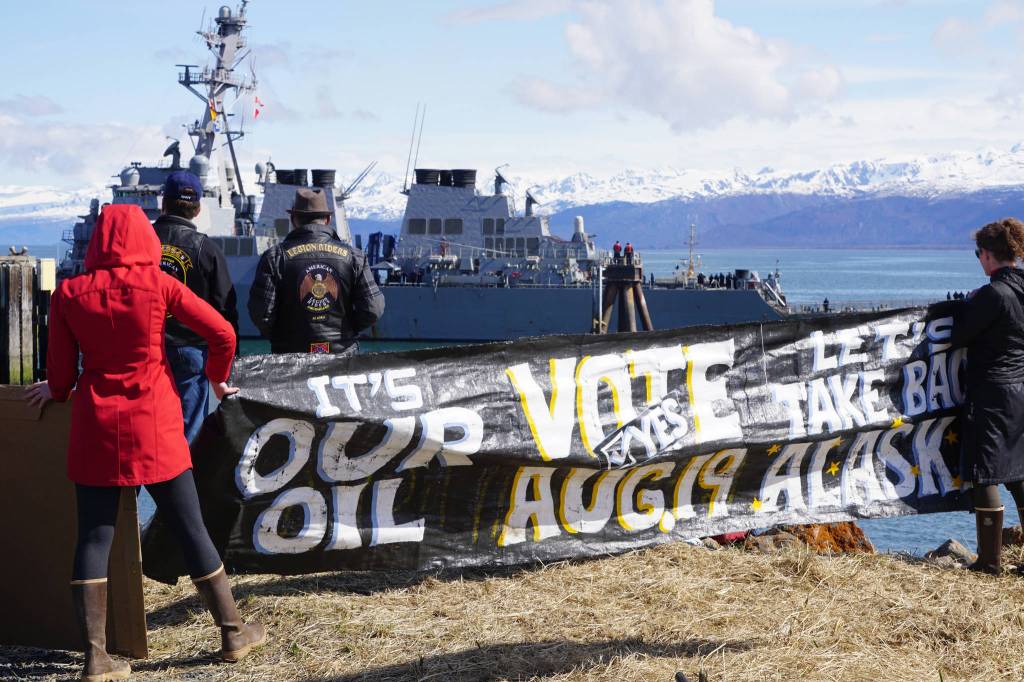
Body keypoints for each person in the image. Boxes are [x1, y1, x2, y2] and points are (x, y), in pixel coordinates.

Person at [24, 205, 265, 680]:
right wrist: (216, 380)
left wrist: (53, 392)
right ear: (144, 240)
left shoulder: (71, 293)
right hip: (154, 424)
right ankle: (232, 631)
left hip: (97, 425)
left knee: (95, 536)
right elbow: (222, 332)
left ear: (97, 241)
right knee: (190, 527)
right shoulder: (160, 285)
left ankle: (96, 658)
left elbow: (58, 376)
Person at [951, 218, 1024, 574]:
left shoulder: (993, 294)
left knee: (985, 474)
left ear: (989, 255)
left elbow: (960, 335)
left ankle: (990, 562)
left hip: (993, 391)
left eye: (978, 253)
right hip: (1021, 390)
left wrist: (967, 306)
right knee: (1020, 473)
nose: (978, 259)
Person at [153, 170, 238, 444]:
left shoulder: (141, 242)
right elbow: (225, 305)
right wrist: (225, 359)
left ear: (163, 203)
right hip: (191, 351)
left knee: (144, 427)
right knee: (187, 435)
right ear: (198, 208)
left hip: (145, 348)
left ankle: (138, 486)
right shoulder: (206, 248)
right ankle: (183, 484)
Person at [248, 187, 384, 354]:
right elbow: (373, 308)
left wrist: (282, 338)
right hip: (342, 357)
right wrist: (347, 331)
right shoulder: (354, 256)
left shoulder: (275, 257)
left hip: (289, 359)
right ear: (327, 219)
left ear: (293, 219)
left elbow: (261, 312)